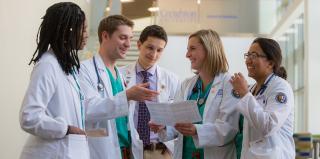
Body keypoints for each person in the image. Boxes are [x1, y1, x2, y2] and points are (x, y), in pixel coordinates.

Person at [150, 29, 240, 159]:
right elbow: (176, 123)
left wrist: (196, 130)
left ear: (209, 50)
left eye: (192, 48)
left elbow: (228, 129)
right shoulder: (187, 85)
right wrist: (163, 126)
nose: (187, 55)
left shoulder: (229, 84)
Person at [79, 15, 159, 159]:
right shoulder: (85, 70)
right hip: (103, 150)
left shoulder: (120, 75)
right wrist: (128, 95)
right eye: (123, 37)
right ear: (105, 36)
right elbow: (87, 109)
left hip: (126, 151)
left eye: (130, 38)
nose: (128, 44)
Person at [19, 2, 90, 159]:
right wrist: (65, 129)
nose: (86, 34)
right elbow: (29, 117)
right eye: (83, 29)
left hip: (67, 151)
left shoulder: (65, 65)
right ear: (67, 30)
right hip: (52, 152)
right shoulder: (47, 65)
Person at [119, 25, 180, 159]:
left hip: (160, 151)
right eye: (150, 47)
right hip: (128, 150)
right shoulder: (120, 75)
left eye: (159, 50)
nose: (153, 55)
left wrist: (165, 126)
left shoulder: (172, 79)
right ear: (139, 45)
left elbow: (178, 118)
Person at [229, 37, 295, 159]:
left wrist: (244, 94)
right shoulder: (251, 89)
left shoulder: (280, 87)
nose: (248, 60)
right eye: (248, 55)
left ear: (270, 63)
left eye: (254, 55)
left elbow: (269, 125)